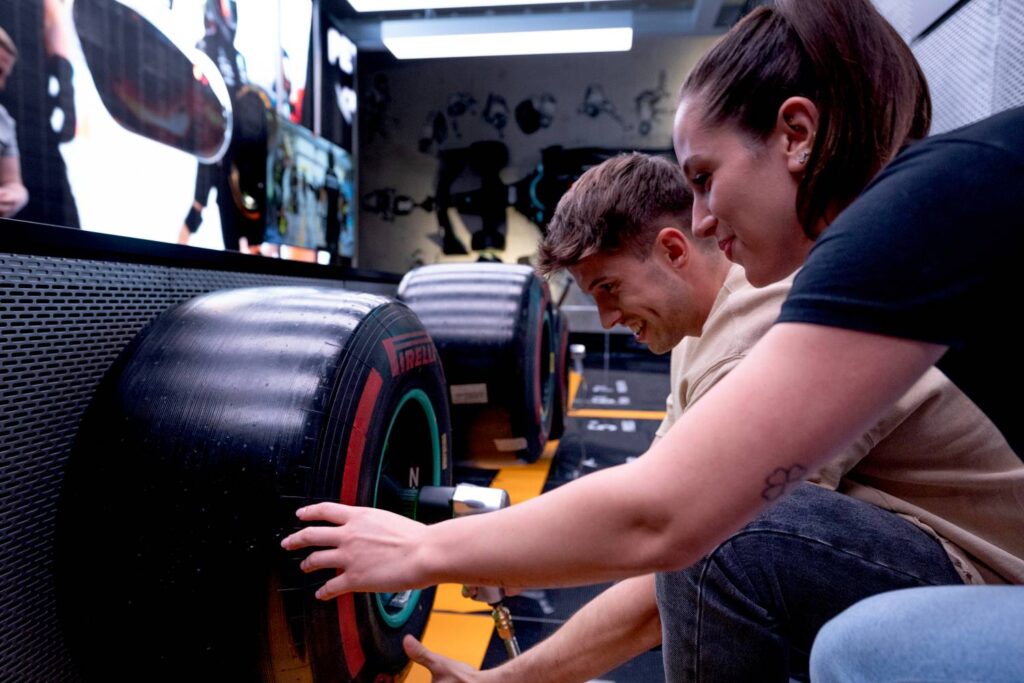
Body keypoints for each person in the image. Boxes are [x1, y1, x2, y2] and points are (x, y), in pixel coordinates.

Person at [280, 0, 1024, 679]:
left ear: (796, 135)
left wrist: (421, 551)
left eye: (704, 177)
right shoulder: (867, 241)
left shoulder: (878, 235)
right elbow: (652, 522)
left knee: (759, 558)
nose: (701, 218)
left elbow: (671, 523)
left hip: (998, 583)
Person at [0, 27, 28, 218]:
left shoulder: (4, 120)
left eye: (5, 75)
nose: (1, 84)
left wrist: (15, 195)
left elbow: (14, 183)